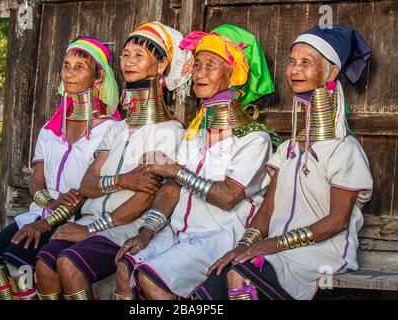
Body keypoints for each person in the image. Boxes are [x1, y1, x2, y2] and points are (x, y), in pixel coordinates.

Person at [199, 25, 374, 300]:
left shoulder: (344, 150)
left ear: (331, 73)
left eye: (306, 63)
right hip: (277, 250)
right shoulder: (288, 150)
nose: (294, 70)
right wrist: (244, 245)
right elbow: (267, 210)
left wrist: (274, 245)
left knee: (240, 274)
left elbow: (337, 222)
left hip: (320, 252)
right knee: (216, 277)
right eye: (292, 62)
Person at [115, 24, 276, 300]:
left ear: (234, 73)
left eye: (211, 66)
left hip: (217, 239)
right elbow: (171, 189)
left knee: (151, 280)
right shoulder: (197, 133)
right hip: (178, 233)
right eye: (197, 64)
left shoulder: (253, 139)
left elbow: (227, 196)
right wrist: (147, 230)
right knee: (125, 264)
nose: (199, 73)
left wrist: (175, 170)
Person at [34, 21, 191, 300]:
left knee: (68, 264)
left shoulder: (169, 131)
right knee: (45, 263)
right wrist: (122, 180)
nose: (128, 62)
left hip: (125, 227)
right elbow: (87, 184)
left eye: (139, 56)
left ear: (162, 64)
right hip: (91, 218)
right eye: (125, 55)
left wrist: (90, 229)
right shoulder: (117, 129)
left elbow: (146, 196)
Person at [0, 36, 120, 300]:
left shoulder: (108, 131)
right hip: (43, 211)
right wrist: (49, 202)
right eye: (66, 66)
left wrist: (50, 218)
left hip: (77, 217)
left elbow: (87, 190)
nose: (69, 73)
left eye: (80, 67)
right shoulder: (51, 129)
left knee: (16, 261)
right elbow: (36, 180)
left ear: (98, 77)